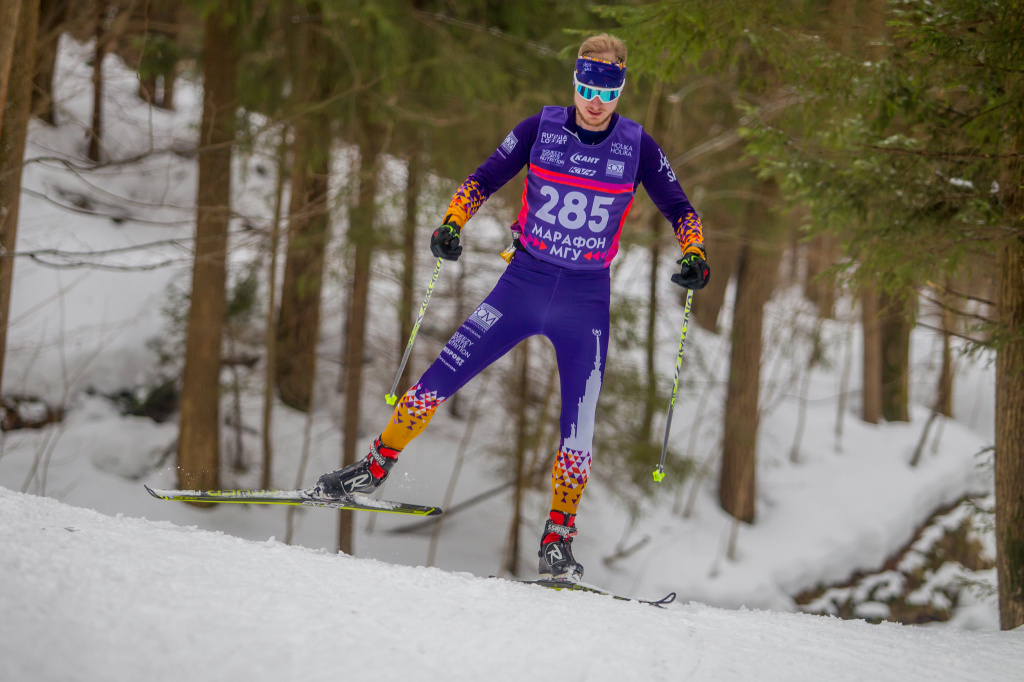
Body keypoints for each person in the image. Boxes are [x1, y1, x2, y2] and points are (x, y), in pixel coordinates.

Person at [314, 33, 709, 582]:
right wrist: (451, 222)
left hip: (585, 301)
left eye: (609, 87)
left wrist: (695, 254)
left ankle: (557, 541)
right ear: (575, 81)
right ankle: (373, 468)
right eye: (587, 85)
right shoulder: (539, 128)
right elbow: (481, 180)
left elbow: (681, 208)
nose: (596, 99)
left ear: (622, 88)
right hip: (522, 284)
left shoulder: (637, 146)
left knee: (580, 427)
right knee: (439, 375)